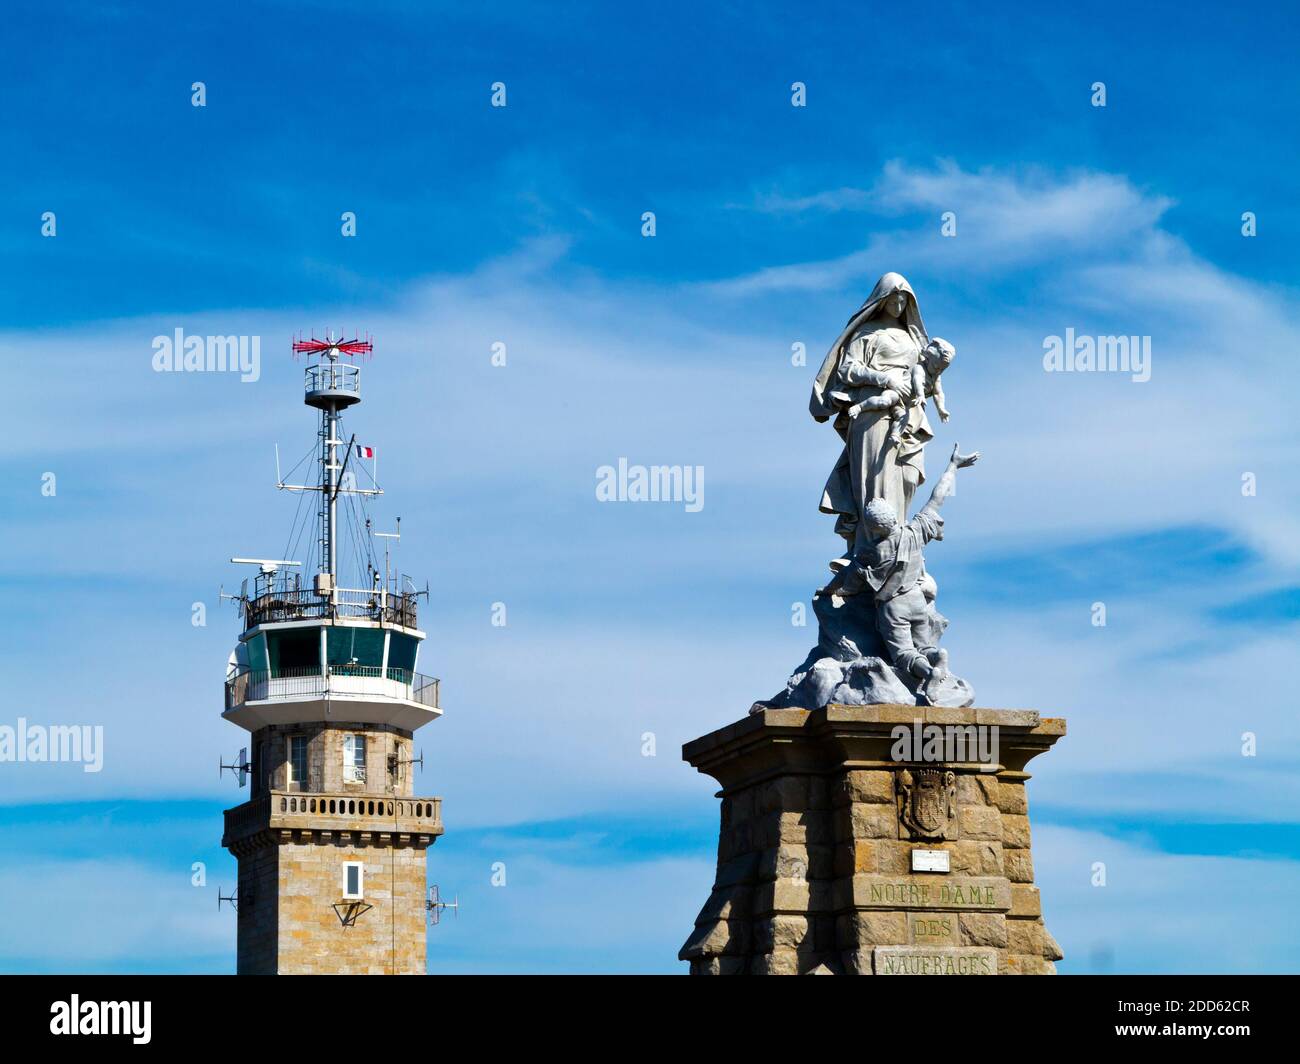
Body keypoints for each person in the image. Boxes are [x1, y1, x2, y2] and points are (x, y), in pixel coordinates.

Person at [833, 443, 979, 703]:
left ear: (874, 528)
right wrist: (953, 466)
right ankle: (937, 657)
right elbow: (937, 498)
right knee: (925, 647)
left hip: (894, 607)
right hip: (917, 601)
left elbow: (855, 580)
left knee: (904, 655)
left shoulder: (872, 552)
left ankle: (930, 672)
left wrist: (839, 591)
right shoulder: (915, 532)